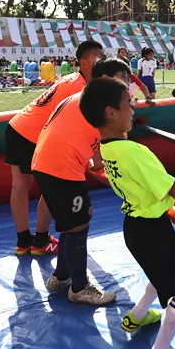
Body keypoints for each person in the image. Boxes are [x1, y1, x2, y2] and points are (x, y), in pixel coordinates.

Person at [83, 77, 175, 349]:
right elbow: (171, 184)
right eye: (127, 105)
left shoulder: (108, 148)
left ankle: (138, 314)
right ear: (111, 113)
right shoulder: (134, 151)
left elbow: (148, 185)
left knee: (159, 273)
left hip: (135, 227)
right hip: (153, 230)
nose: (133, 110)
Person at [30, 58, 132, 305]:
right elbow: (111, 138)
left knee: (73, 224)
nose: (127, 87)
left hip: (46, 164)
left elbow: (93, 140)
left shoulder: (81, 99)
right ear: (107, 81)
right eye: (123, 81)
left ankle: (61, 276)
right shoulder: (96, 104)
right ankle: (79, 287)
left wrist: (97, 164)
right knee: (78, 226)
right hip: (61, 168)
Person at [5, 40, 104, 256]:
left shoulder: (75, 82)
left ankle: (25, 241)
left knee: (21, 186)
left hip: (18, 126)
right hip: (33, 133)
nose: (103, 61)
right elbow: (83, 125)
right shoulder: (81, 88)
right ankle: (39, 240)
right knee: (50, 185)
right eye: (99, 57)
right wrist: (96, 161)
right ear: (85, 63)